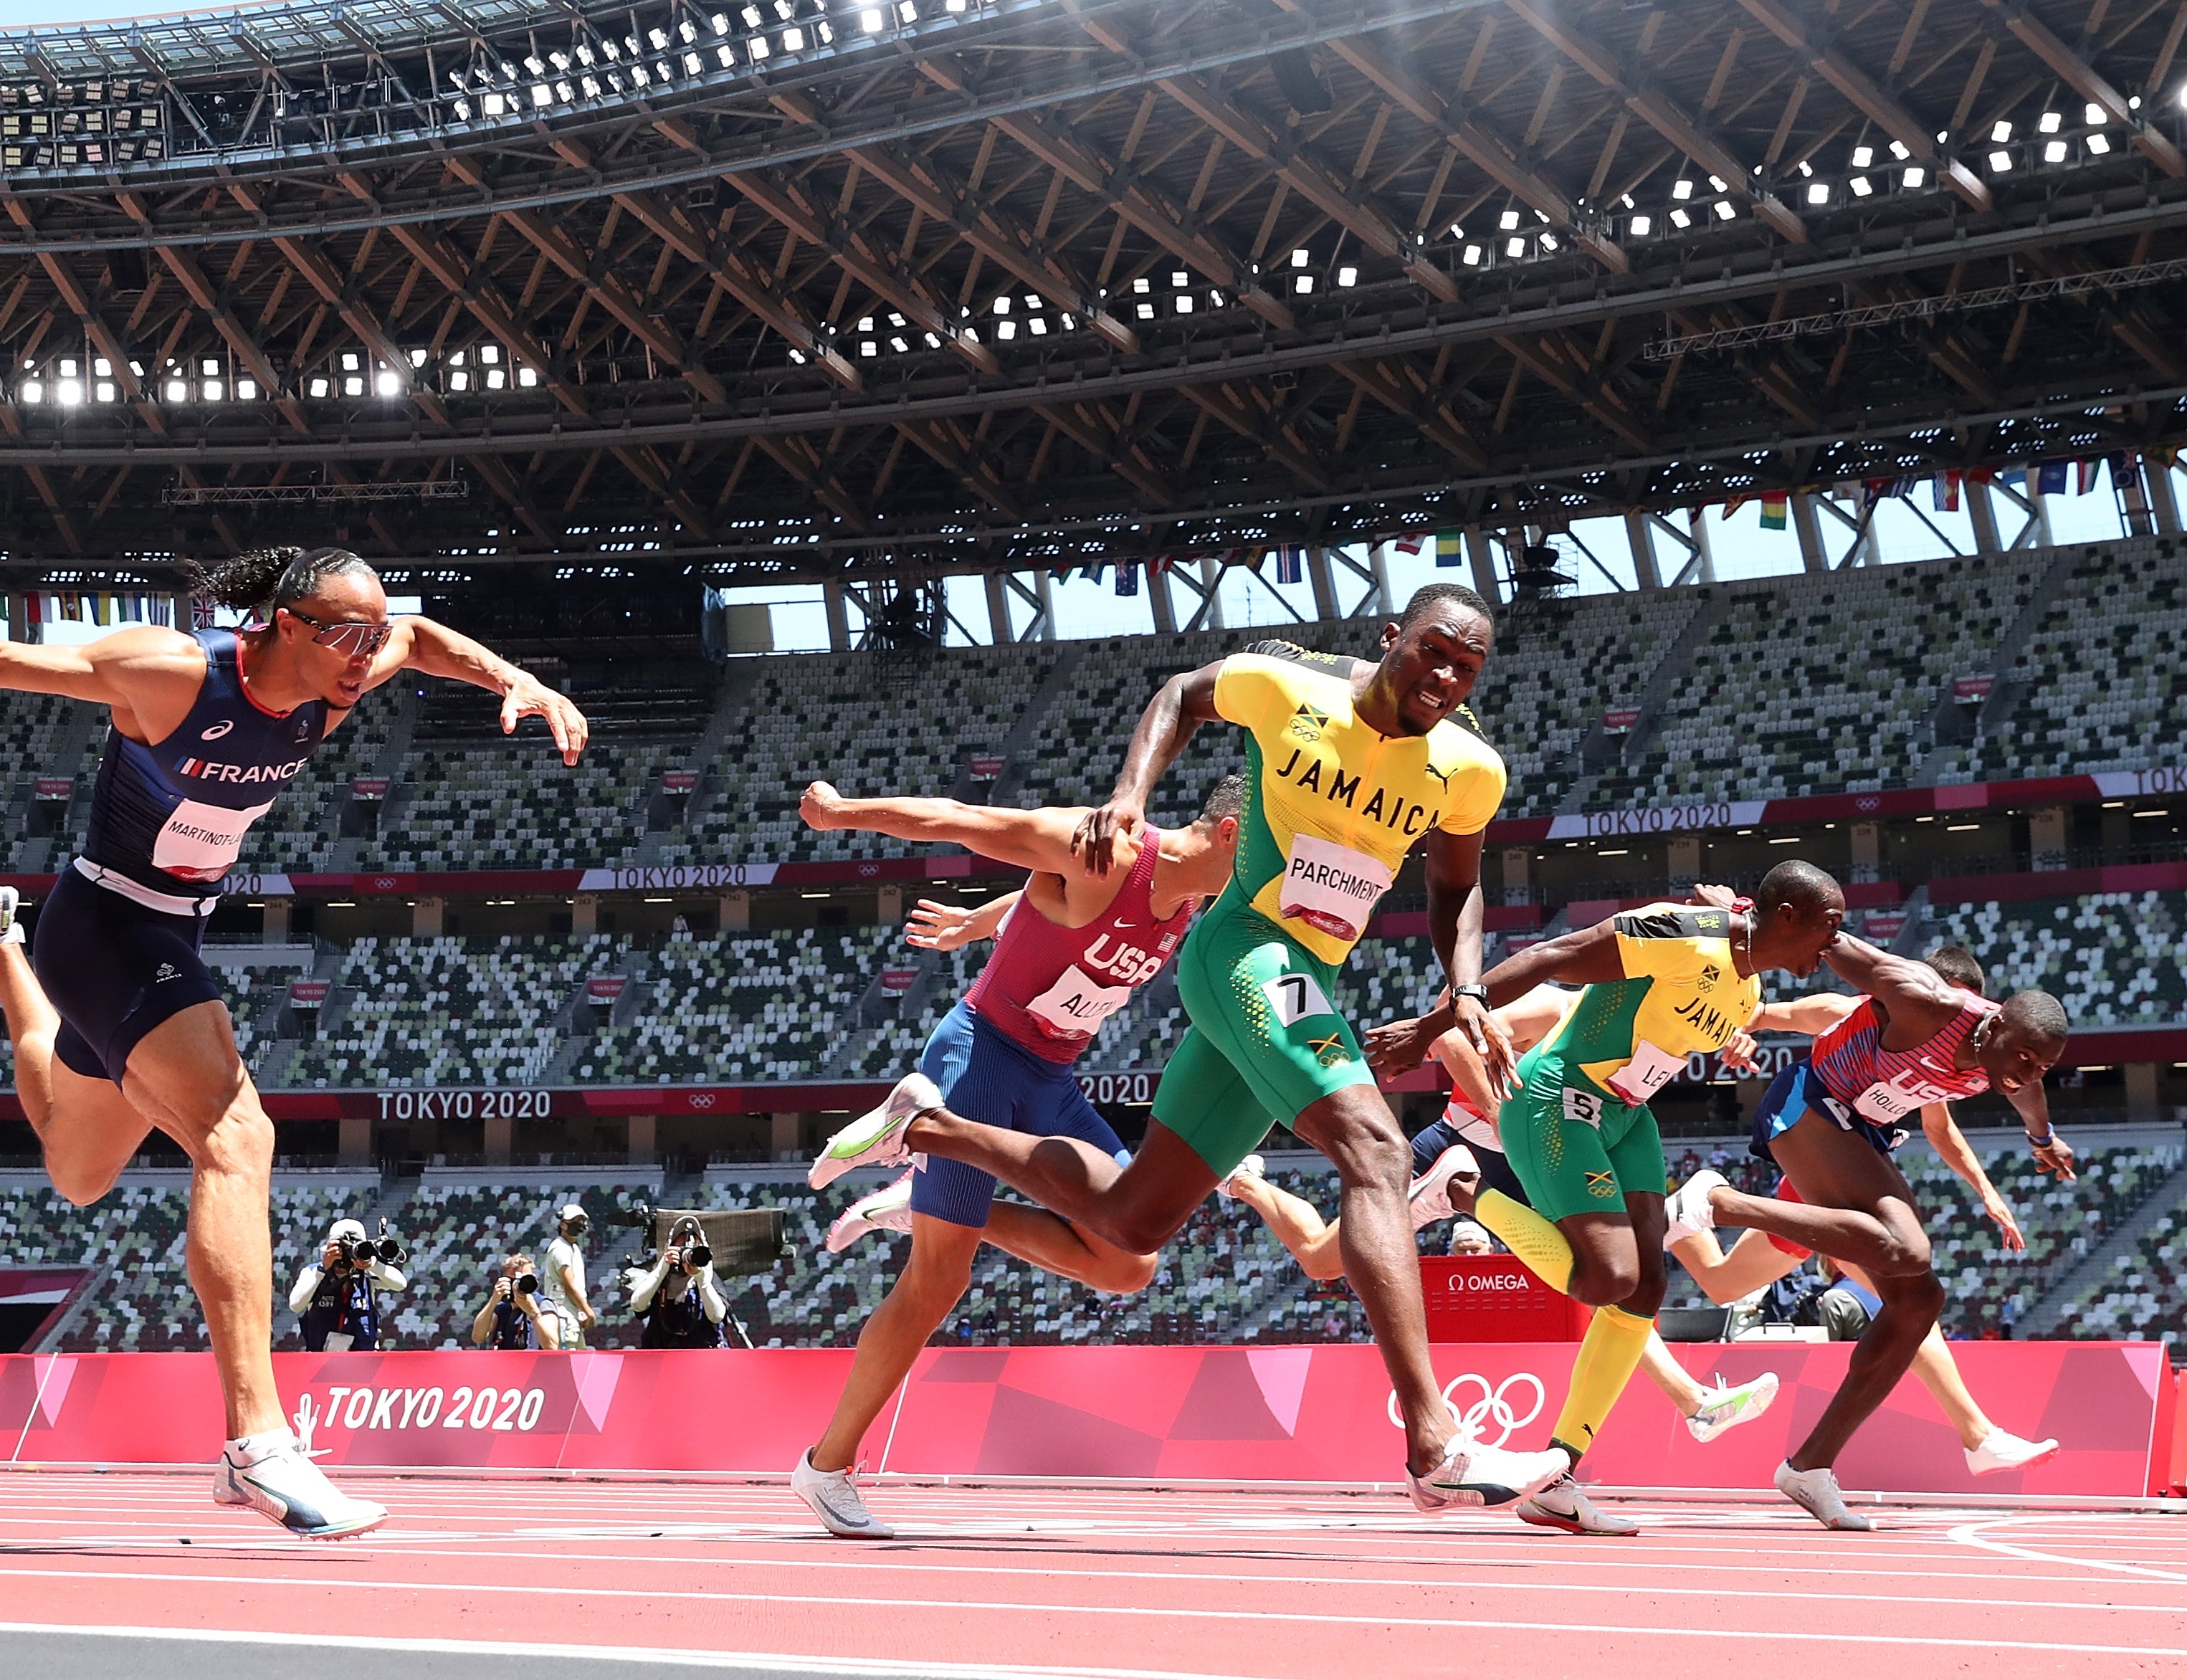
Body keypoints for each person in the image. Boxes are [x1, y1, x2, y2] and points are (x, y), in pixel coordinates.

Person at [0, 545, 586, 1539]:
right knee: (236, 1133)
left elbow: (421, 638)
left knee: (77, 1167)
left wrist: (514, 678)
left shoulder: (339, 680)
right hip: (108, 925)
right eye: (346, 633)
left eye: (369, 634)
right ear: (283, 627)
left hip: (171, 928)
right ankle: (256, 1444)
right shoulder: (175, 671)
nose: (367, 652)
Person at [812, 592, 1570, 1511]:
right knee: (1375, 1150)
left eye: (1468, 667)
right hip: (1245, 950)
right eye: (1433, 654)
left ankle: (927, 1130)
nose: (1446, 679)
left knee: (1132, 1229)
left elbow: (1458, 889)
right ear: (1391, 642)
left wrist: (1467, 988)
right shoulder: (1287, 689)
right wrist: (1127, 799)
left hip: (1307, 973)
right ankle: (1433, 1445)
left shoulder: (1467, 770)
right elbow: (1178, 693)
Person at [789, 773, 1240, 1538]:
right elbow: (963, 819)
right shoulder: (1105, 848)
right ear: (1230, 834)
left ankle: (912, 1191)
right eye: (1273, 850)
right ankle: (826, 1466)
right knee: (938, 1281)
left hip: (1051, 1081)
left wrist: (983, 922)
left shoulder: (1193, 900)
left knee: (1128, 1254)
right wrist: (840, 815)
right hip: (980, 1061)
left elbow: (1047, 906)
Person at [1362, 867, 1848, 1532]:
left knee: (1646, 1292)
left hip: (1629, 1117)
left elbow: (1726, 983)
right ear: (1788, 915)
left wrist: (1735, 1031)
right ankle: (1463, 1191)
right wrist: (1428, 1029)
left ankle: (1556, 1477)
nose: (1836, 943)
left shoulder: (1750, 983)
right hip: (1561, 1101)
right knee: (1607, 1279)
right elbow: (1551, 956)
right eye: (1830, 925)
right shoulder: (1682, 934)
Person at [1661, 934, 2073, 1529]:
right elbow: (1815, 957)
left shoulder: (2005, 1064)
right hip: (1808, 1115)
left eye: (2042, 1064)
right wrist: (1743, 968)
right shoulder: (1918, 1002)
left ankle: (1811, 1464)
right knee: (1907, 1253)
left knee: (1915, 1297)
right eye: (2026, 1057)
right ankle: (1720, 1203)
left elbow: (2006, 1100)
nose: (2028, 1072)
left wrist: (2040, 1140)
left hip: (1853, 1152)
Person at [288, 1218, 405, 1352]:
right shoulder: (313, 1273)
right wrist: (323, 1269)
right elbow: (295, 1305)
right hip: (322, 1359)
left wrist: (373, 1265)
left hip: (363, 1360)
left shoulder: (367, 1274)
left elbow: (400, 1284)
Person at [631, 1212, 729, 1348]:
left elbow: (717, 1316)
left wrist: (701, 1279)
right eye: (681, 1247)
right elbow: (637, 1304)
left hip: (701, 1356)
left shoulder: (709, 1277)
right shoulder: (660, 1279)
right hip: (663, 1355)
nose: (686, 1253)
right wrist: (662, 1269)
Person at [539, 1203, 597, 1350]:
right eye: (575, 1221)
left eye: (581, 1221)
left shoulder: (572, 1248)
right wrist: (588, 1311)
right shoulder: (561, 1249)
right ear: (563, 1225)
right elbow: (569, 1285)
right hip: (563, 1315)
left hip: (571, 1314)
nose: (580, 1224)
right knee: (567, 1361)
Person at [472, 1251, 545, 1349]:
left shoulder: (543, 1305)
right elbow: (478, 1337)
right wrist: (494, 1300)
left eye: (526, 1279)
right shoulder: (502, 1309)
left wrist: (535, 1314)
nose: (520, 1284)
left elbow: (553, 1346)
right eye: (515, 1280)